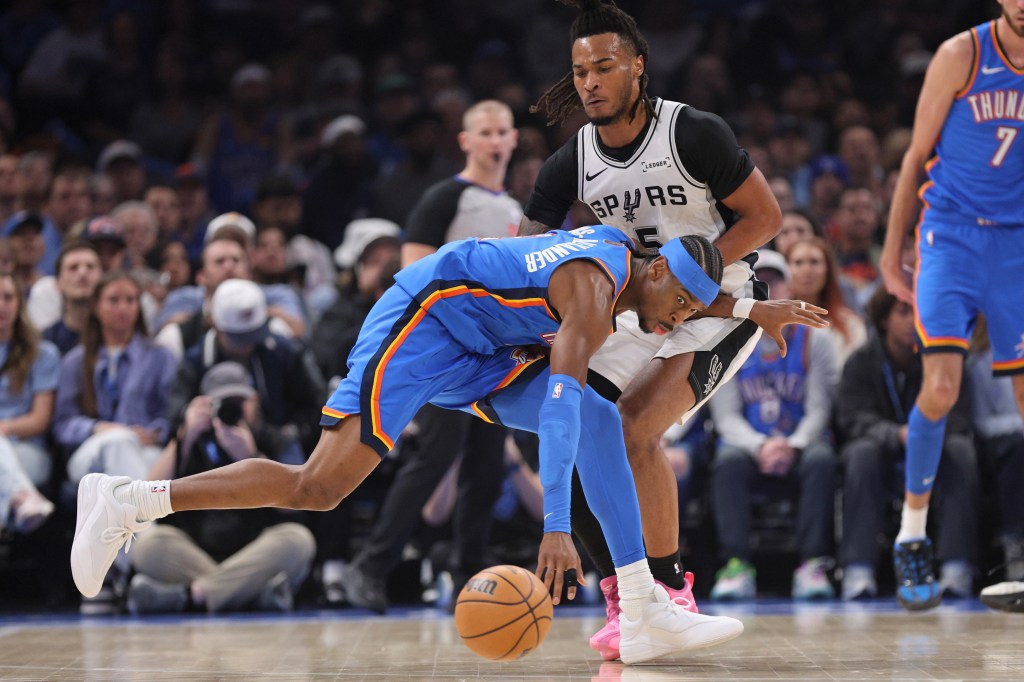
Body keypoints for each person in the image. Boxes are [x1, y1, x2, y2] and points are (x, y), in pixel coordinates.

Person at [73, 227, 762, 663]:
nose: (678, 321)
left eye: (691, 314)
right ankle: (130, 500)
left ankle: (641, 604)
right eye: (680, 304)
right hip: (425, 319)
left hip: (483, 343)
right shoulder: (591, 293)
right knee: (319, 486)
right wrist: (556, 527)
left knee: (602, 418)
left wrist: (757, 308)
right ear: (658, 272)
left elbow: (595, 387)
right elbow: (556, 419)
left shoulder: (627, 270)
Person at [517, 0, 807, 660]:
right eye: (580, 71)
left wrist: (688, 278)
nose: (590, 82)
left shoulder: (691, 132)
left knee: (633, 425)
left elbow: (765, 218)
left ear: (638, 67)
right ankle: (627, 596)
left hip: (721, 304)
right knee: (570, 418)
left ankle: (673, 591)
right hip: (637, 308)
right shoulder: (573, 159)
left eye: (604, 67)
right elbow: (530, 246)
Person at [342, 99, 523, 612]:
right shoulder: (445, 197)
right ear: (466, 141)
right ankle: (370, 565)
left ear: (514, 140)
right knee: (435, 457)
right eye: (485, 132)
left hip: (497, 356)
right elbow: (414, 277)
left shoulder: (514, 209)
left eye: (502, 132)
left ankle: (470, 574)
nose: (494, 141)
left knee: (487, 467)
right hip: (448, 351)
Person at [879, 1, 1024, 611]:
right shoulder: (962, 54)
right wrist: (892, 253)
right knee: (940, 388)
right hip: (952, 235)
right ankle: (912, 534)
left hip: (1016, 243)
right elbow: (916, 155)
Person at [126, 362, 315, 615]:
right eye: (222, 403)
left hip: (256, 550)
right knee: (148, 545)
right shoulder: (191, 440)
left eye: (240, 402)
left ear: (255, 401)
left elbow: (297, 502)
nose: (232, 410)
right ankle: (251, 594)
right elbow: (146, 499)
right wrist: (185, 436)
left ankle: (194, 596)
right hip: (195, 553)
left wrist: (251, 457)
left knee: (298, 539)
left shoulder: (273, 438)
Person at [707, 254, 840, 601]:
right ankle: (736, 564)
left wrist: (793, 445)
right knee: (727, 463)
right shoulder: (727, 341)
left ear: (790, 289)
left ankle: (813, 564)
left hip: (801, 444)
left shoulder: (816, 338)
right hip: (750, 448)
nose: (767, 290)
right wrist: (760, 446)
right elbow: (726, 418)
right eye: (758, 282)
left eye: (774, 282)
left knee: (821, 460)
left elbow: (819, 409)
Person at [835, 289, 979, 603]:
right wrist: (897, 434)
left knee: (960, 451)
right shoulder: (860, 361)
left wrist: (924, 434)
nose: (914, 320)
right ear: (883, 319)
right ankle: (858, 569)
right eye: (904, 312)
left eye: (919, 311)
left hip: (934, 449)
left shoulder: (947, 358)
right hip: (882, 451)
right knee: (860, 455)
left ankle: (956, 566)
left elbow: (960, 417)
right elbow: (852, 418)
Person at [0, 273, 60, 534]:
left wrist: (5, 428)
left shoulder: (43, 353)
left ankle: (22, 494)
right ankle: (22, 499)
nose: (1, 305)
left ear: (20, 303)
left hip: (28, 450)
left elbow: (40, 419)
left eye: (8, 297)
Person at [785, 237, 867, 362]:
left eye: (814, 262)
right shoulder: (771, 323)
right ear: (785, 269)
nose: (807, 270)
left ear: (828, 270)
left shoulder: (851, 324)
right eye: (798, 262)